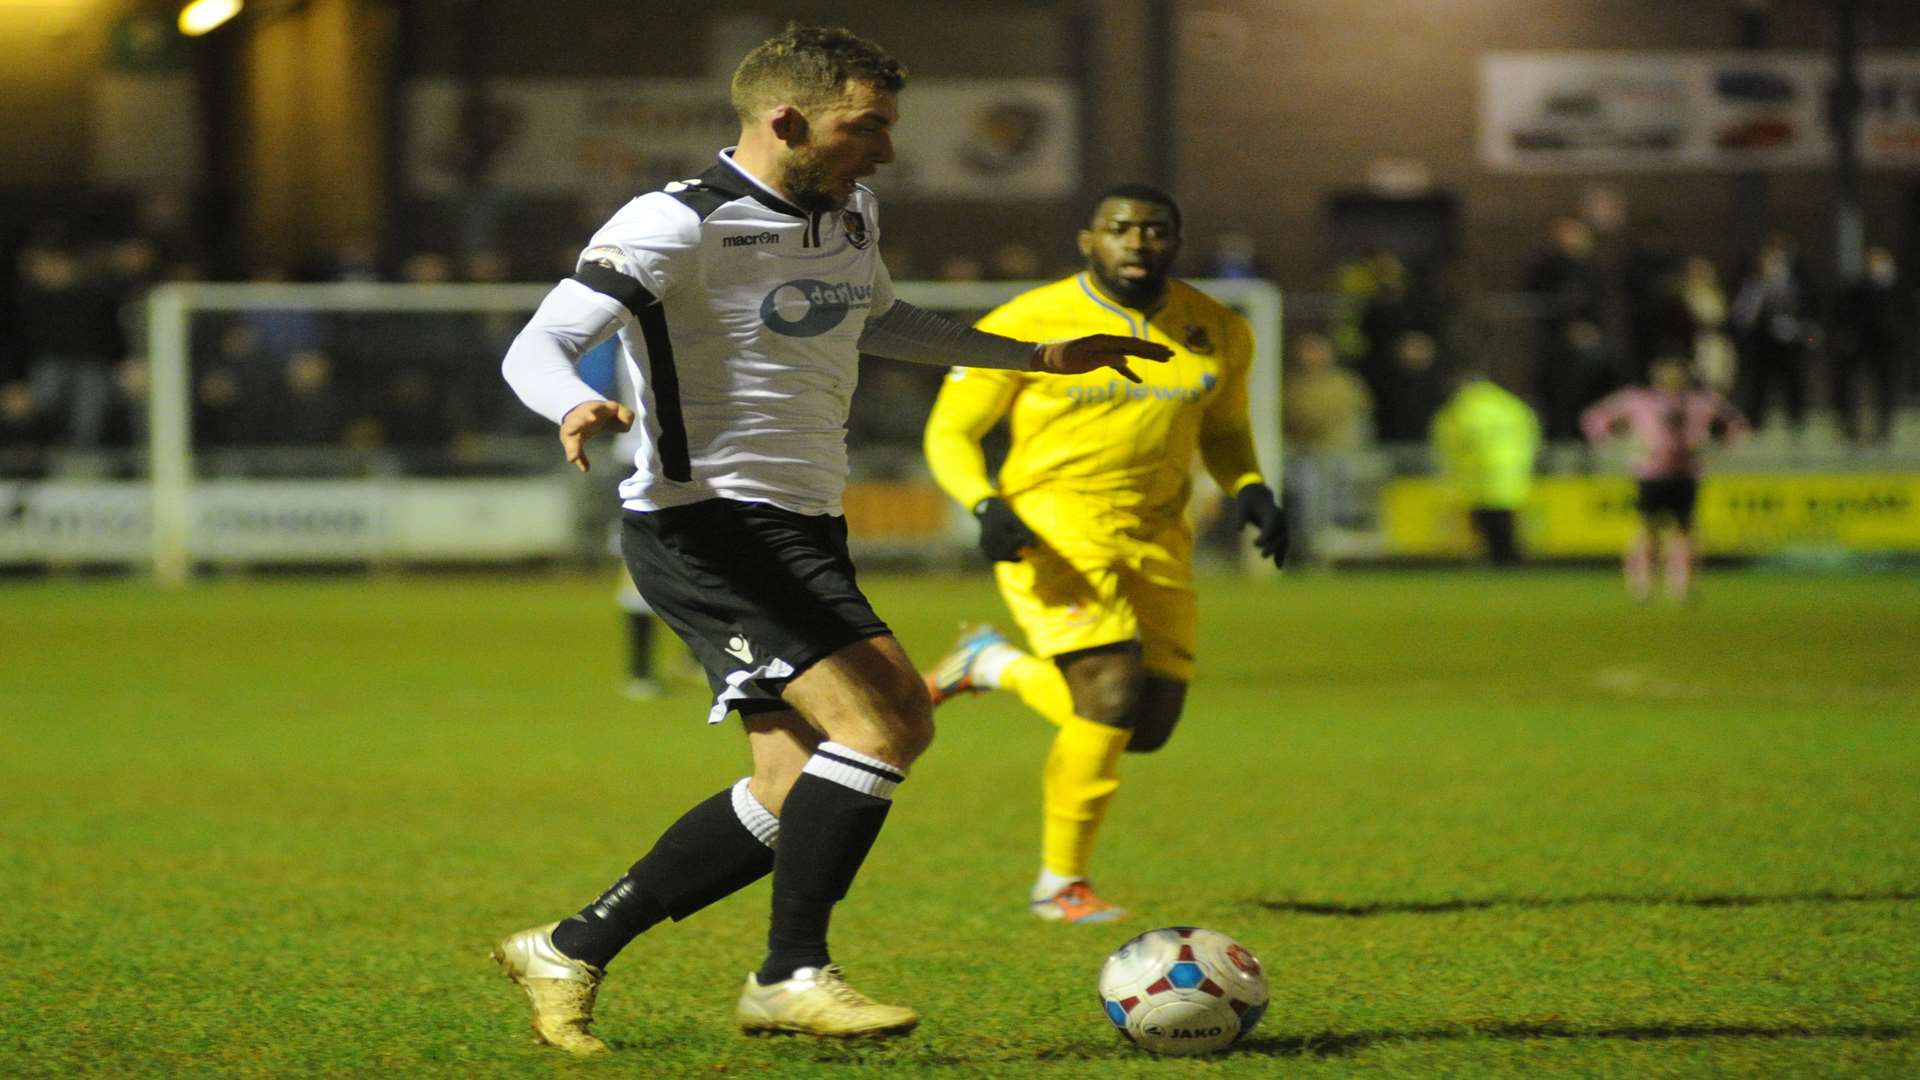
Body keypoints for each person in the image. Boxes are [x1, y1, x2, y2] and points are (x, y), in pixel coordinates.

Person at [492, 24, 1170, 1055]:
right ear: (787, 120)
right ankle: (790, 972)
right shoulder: (676, 223)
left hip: (801, 522)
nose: (886, 151)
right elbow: (540, 343)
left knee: (789, 784)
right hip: (710, 526)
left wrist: (1034, 353)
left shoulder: (848, 209)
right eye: (867, 128)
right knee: (888, 722)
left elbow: (880, 320)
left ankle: (571, 944)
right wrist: (567, 407)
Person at [917, 184, 1288, 925]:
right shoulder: (1026, 321)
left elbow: (1223, 428)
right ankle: (1061, 885)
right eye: (1119, 228)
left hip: (1156, 534)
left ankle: (993, 665)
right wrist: (985, 504)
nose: (1137, 241)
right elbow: (951, 431)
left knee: (1145, 726)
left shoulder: (1214, 328)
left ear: (1175, 242)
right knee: (1111, 696)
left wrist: (1249, 485)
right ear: (1088, 240)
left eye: (1155, 230)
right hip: (1052, 530)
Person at [1581, 355, 1748, 603]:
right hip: (1651, 472)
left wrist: (1713, 447)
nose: (1672, 379)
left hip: (1687, 471)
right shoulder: (1638, 400)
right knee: (1648, 529)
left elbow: (1736, 425)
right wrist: (1620, 445)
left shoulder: (1702, 401)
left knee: (1685, 529)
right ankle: (1641, 585)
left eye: (1677, 373)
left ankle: (1681, 587)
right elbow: (1595, 419)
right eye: (1667, 373)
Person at [1428, 369, 1540, 566]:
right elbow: (1531, 430)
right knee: (1506, 517)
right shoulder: (1510, 404)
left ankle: (1497, 558)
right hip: (1513, 468)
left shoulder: (1464, 407)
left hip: (1478, 469)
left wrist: (1451, 466)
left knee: (1485, 519)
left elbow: (1455, 439)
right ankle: (1510, 557)